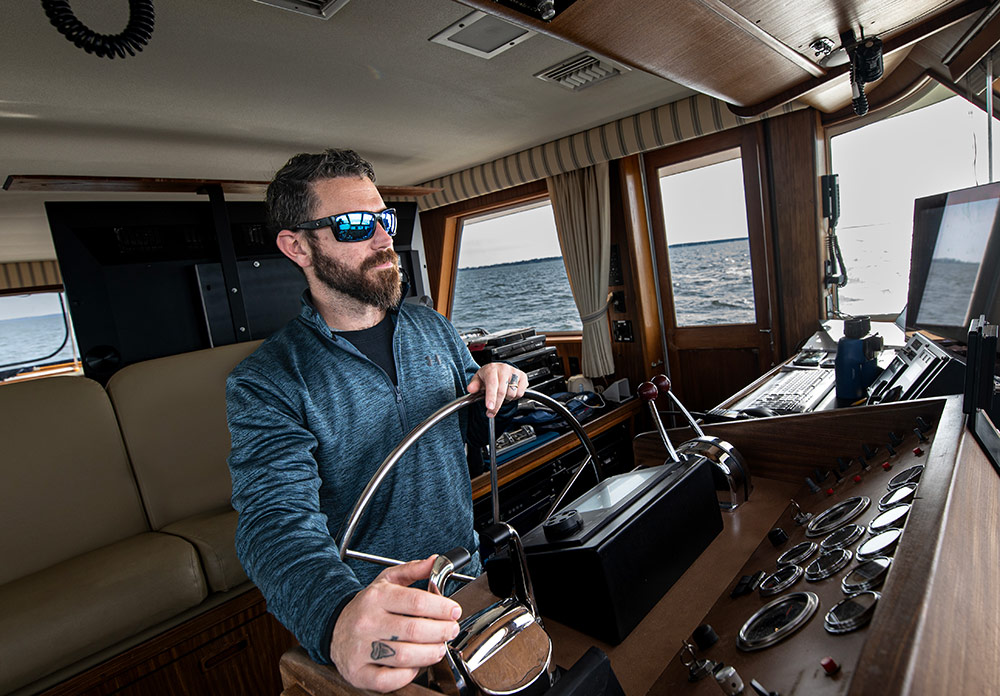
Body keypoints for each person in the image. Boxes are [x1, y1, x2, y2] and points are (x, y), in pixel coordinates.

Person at [226, 148, 527, 693]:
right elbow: (273, 522)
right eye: (354, 225)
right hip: (380, 619)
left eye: (384, 219)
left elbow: (473, 428)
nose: (385, 238)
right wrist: (338, 618)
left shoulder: (432, 326)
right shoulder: (266, 380)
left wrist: (499, 384)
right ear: (297, 246)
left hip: (469, 578)